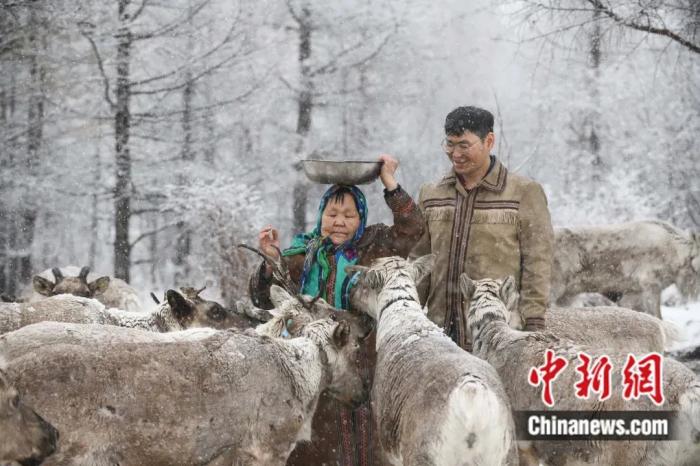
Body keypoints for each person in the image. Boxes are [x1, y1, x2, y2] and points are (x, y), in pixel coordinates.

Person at [248, 154, 424, 466]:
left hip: (364, 364)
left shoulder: (375, 247)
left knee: (367, 445)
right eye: (332, 214)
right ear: (321, 216)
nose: (339, 222)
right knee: (315, 447)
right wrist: (271, 261)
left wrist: (389, 182)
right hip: (315, 369)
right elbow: (262, 298)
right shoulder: (303, 255)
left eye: (349, 215)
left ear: (362, 219)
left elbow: (413, 228)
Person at [411, 106, 554, 350]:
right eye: (449, 144)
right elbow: (420, 261)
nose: (455, 154)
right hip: (439, 337)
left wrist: (533, 323)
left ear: (489, 141)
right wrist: (411, 315)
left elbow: (538, 263)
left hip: (498, 338)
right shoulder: (431, 194)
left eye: (464, 145)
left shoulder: (523, 193)